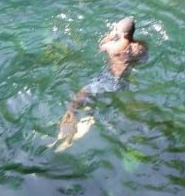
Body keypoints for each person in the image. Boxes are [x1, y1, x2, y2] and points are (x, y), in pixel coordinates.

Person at [52, 17, 149, 152]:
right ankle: (90, 114)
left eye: (116, 29)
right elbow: (142, 61)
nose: (114, 30)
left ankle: (70, 126)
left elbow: (101, 46)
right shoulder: (140, 46)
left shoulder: (113, 47)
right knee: (104, 98)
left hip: (108, 79)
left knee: (80, 95)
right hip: (123, 82)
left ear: (123, 34)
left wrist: (109, 36)